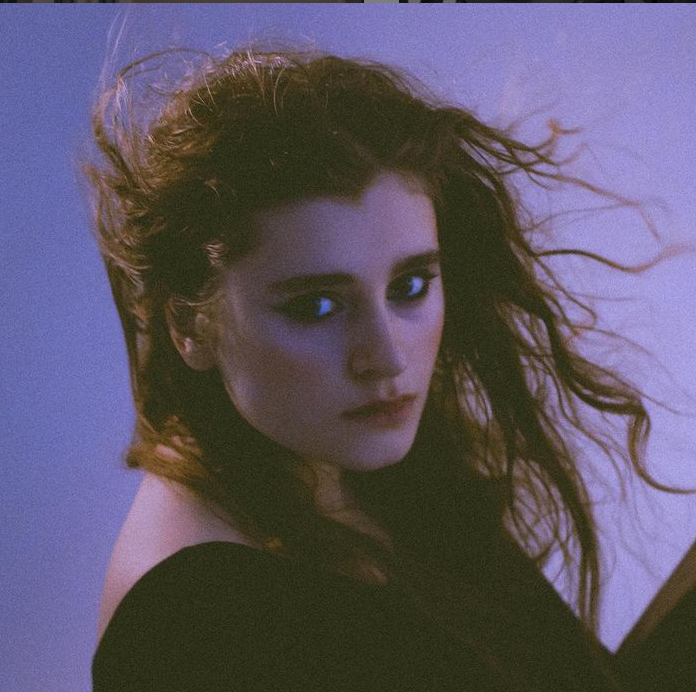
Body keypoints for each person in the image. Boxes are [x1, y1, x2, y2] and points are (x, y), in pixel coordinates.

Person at [79, 40, 675, 691]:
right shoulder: (194, 628)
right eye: (317, 306)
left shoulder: (358, 464)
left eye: (410, 286)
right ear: (190, 325)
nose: (387, 358)